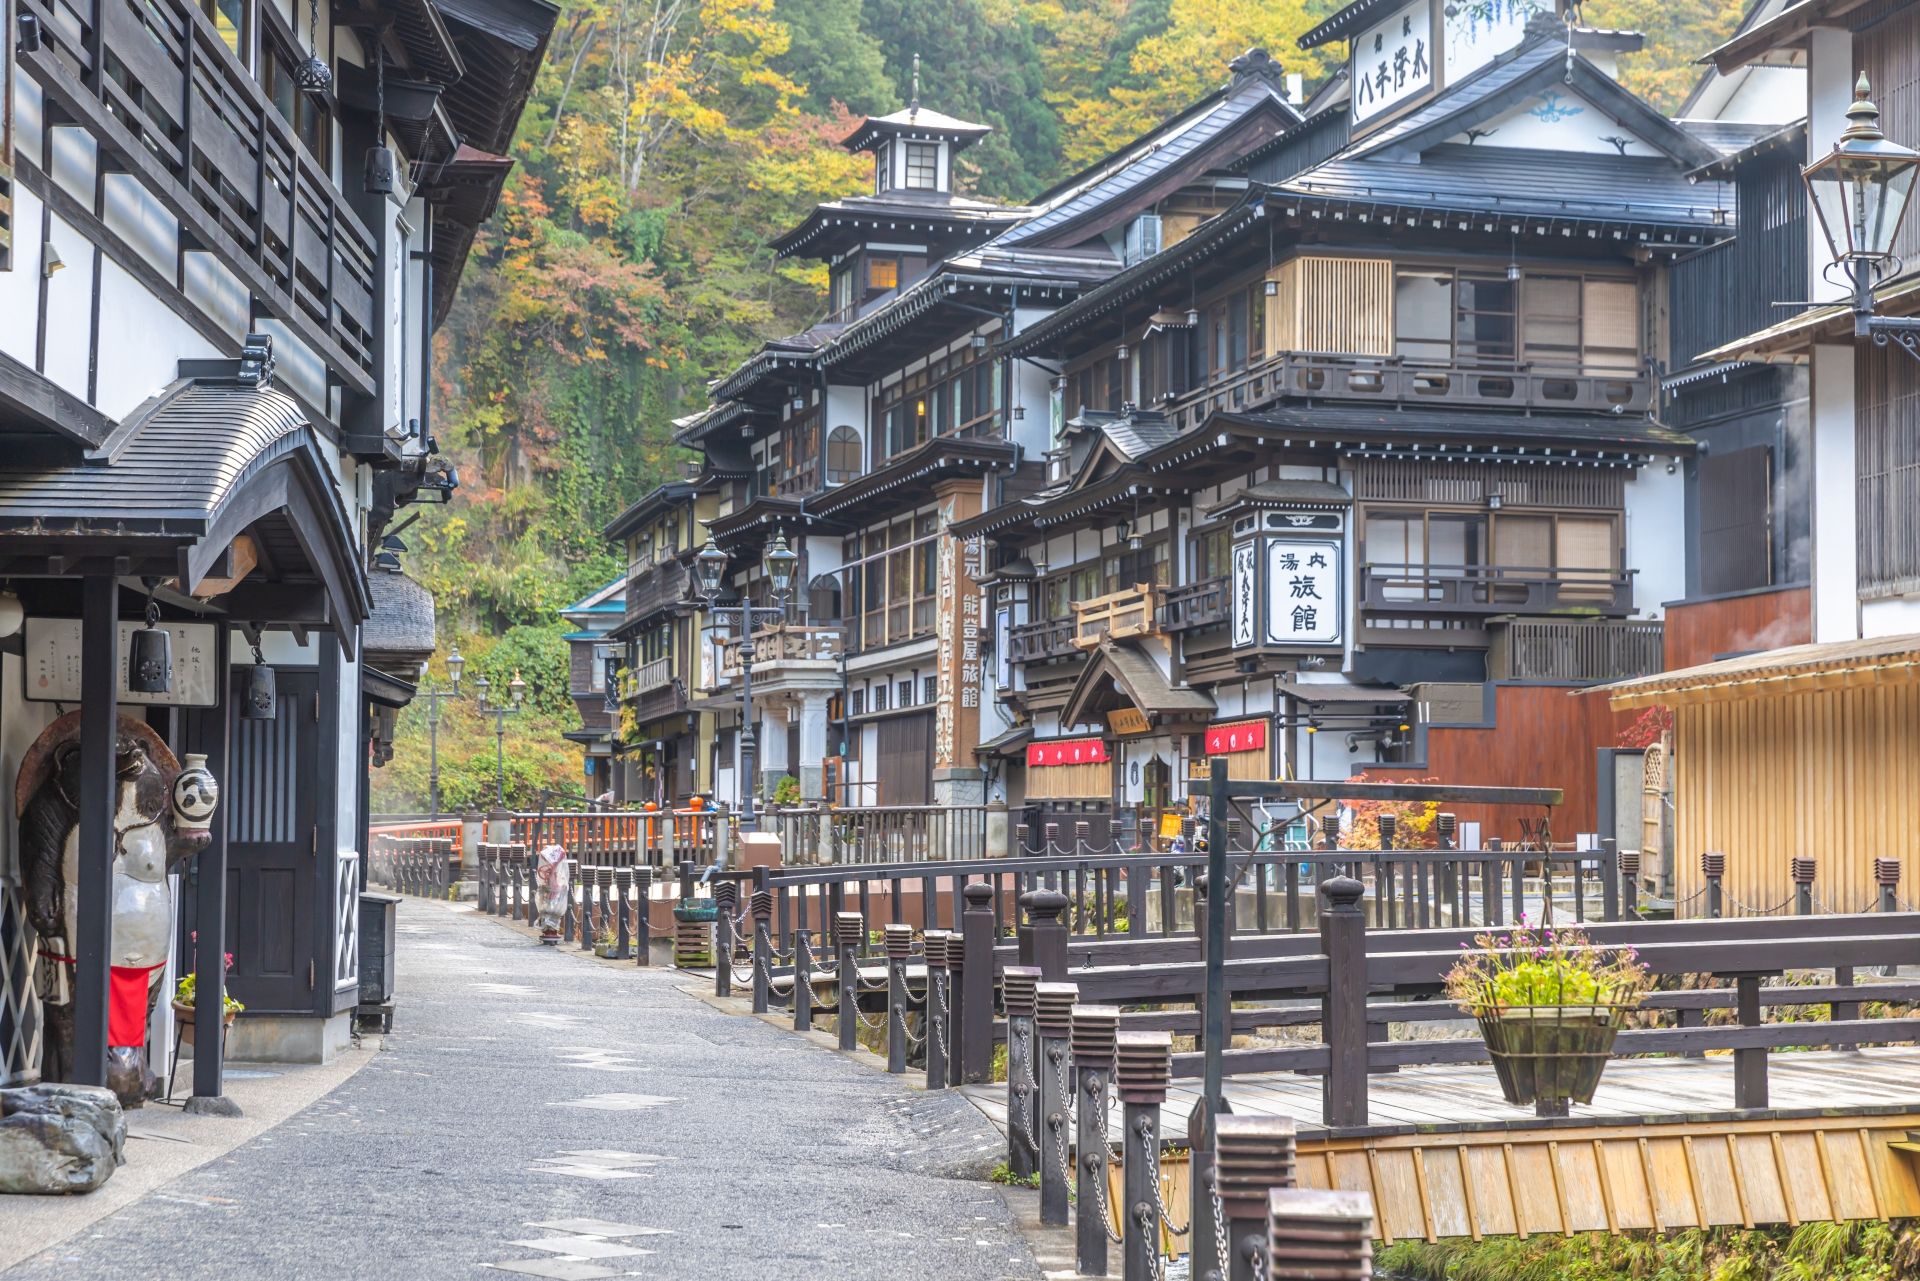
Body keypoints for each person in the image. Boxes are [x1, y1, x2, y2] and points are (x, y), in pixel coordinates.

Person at [533, 844, 570, 944]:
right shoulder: (551, 873)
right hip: (550, 889)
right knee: (549, 906)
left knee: (551, 907)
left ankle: (550, 928)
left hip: (552, 889)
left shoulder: (552, 873)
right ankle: (550, 928)